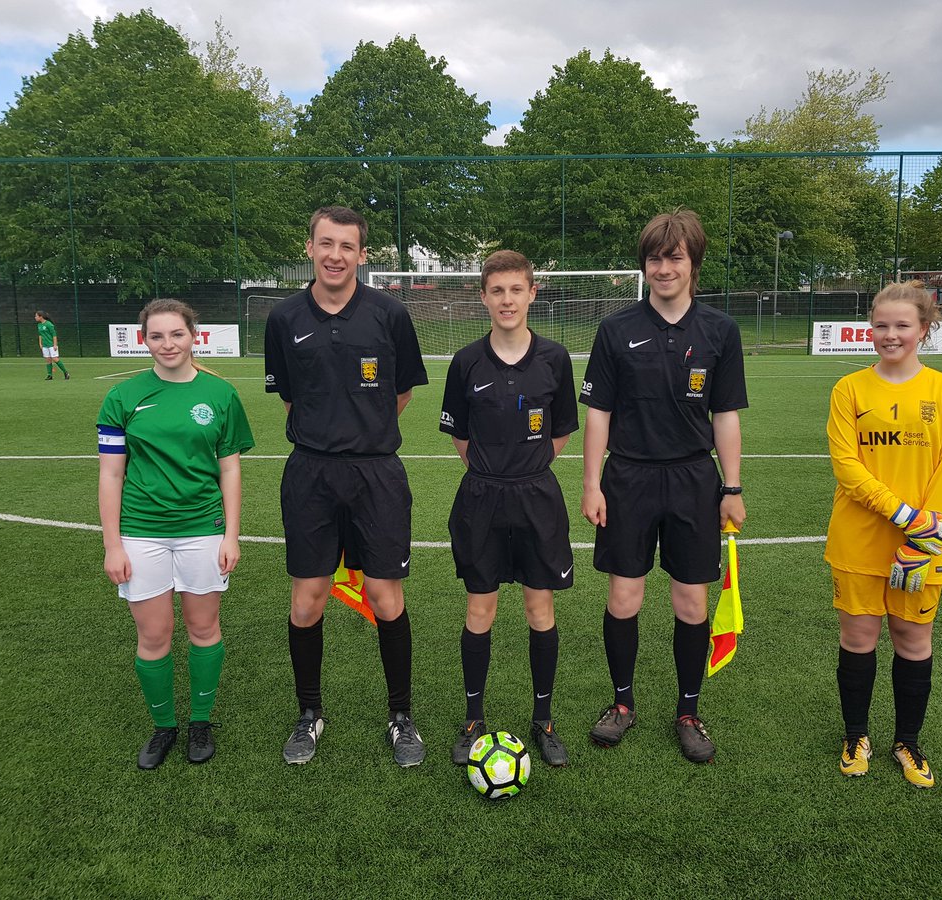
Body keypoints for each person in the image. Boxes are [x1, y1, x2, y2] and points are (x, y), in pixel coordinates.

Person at [579, 209, 748, 763]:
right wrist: (591, 482)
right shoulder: (616, 329)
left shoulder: (720, 330)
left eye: (674, 257)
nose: (663, 267)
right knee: (624, 596)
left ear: (693, 262)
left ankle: (688, 709)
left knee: (690, 602)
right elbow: (598, 411)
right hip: (627, 477)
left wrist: (732, 486)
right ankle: (622, 704)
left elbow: (725, 414)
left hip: (694, 480)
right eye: (654, 258)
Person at [265, 206, 430, 768]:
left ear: (363, 254)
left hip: (376, 474)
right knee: (307, 600)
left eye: (347, 246)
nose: (335, 255)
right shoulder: (284, 318)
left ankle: (401, 716)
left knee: (386, 597)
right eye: (325, 243)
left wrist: (363, 434)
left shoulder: (389, 314)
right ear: (309, 247)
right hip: (310, 473)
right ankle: (309, 714)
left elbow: (401, 394)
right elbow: (291, 396)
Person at [97, 299, 254, 769]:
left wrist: (231, 535)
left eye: (177, 334)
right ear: (144, 341)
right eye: (157, 336)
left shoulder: (220, 395)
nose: (168, 344)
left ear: (194, 336)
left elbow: (229, 469)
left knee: (203, 628)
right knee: (155, 635)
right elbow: (110, 476)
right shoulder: (123, 398)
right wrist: (112, 544)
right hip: (141, 531)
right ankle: (163, 726)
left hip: (202, 530)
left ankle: (200, 721)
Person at [826, 280, 942, 788]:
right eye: (881, 325)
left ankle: (908, 742)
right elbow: (847, 467)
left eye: (902, 325)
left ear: (924, 330)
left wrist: (922, 533)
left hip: (922, 543)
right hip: (859, 537)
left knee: (912, 639)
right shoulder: (849, 389)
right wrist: (905, 515)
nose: (890, 335)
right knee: (859, 636)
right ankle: (856, 735)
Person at [440, 250, 578, 768]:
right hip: (481, 498)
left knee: (540, 609)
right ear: (483, 297)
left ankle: (542, 719)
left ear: (532, 294)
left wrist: (528, 467)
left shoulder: (556, 359)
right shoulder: (466, 361)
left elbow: (563, 429)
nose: (506, 300)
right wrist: (490, 471)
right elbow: (460, 433)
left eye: (515, 290)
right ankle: (474, 718)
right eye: (496, 291)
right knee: (480, 609)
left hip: (538, 498)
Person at [35, 311, 69, 380]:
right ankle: (49, 375)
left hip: (51, 344)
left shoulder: (49, 324)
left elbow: (54, 335)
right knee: (48, 360)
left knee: (55, 359)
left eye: (36, 316)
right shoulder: (39, 325)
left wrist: (55, 344)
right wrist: (40, 344)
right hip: (45, 345)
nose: (35, 317)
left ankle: (66, 372)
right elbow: (40, 335)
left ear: (40, 316)